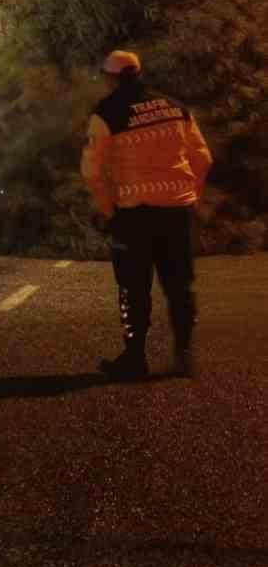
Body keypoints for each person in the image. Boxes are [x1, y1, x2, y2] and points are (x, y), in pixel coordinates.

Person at [81, 49, 212, 381]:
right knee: (180, 285)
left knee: (133, 288)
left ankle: (134, 359)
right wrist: (192, 197)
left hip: (134, 214)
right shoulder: (175, 107)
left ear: (109, 78)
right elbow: (203, 158)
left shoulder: (106, 113)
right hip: (177, 210)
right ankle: (183, 356)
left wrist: (108, 209)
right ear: (138, 72)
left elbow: (91, 172)